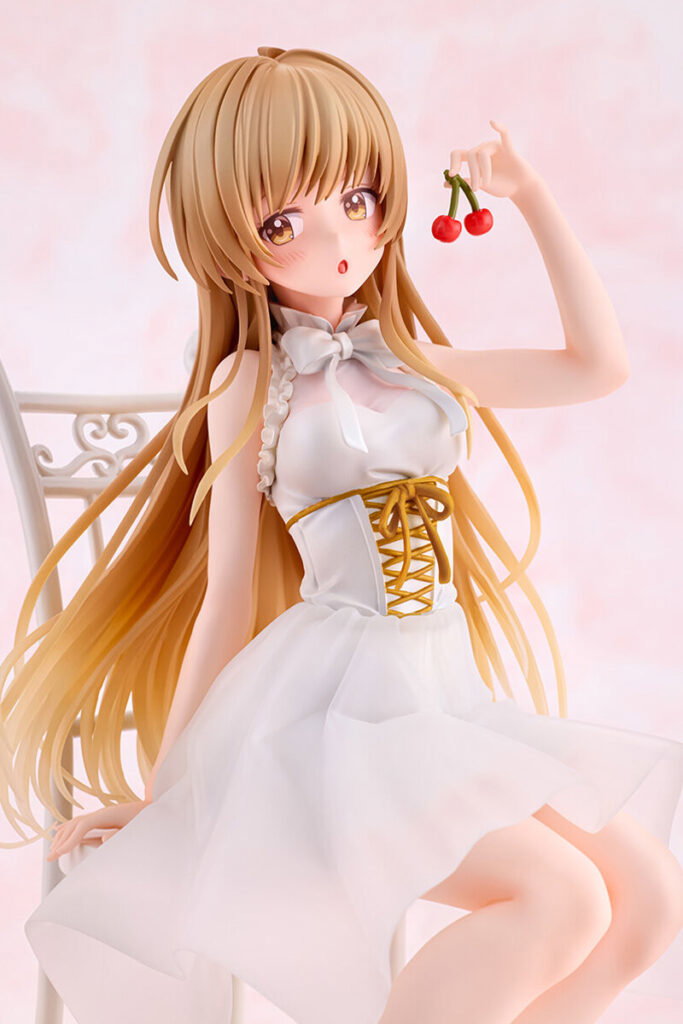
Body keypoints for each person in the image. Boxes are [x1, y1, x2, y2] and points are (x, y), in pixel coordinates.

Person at [2, 45, 682, 1024]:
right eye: (282, 223)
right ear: (229, 242)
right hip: (331, 725)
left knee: (646, 899)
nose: (336, 240)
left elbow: (595, 367)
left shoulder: (409, 360)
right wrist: (166, 791)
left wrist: (530, 196)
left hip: (440, 703)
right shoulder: (251, 383)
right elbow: (228, 593)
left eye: (357, 200)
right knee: (560, 897)